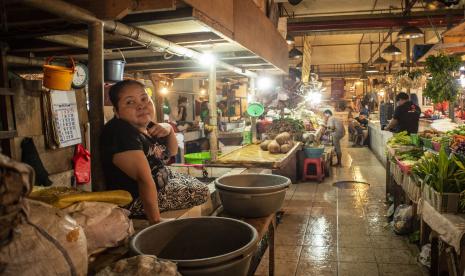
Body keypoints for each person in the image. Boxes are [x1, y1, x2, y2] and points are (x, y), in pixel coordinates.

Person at [101, 80, 209, 224]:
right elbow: (144, 179)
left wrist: (169, 129)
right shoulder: (121, 132)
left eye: (144, 98)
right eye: (129, 102)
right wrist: (156, 221)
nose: (141, 106)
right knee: (202, 192)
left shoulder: (147, 125)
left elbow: (171, 151)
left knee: (198, 184)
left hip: (161, 180)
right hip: (136, 200)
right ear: (116, 112)